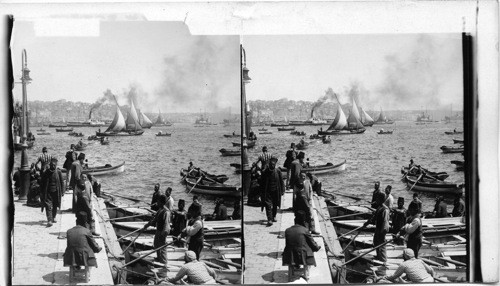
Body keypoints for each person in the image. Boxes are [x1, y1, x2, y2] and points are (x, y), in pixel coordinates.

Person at [282, 210, 321, 282]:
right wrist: (317, 247)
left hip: (289, 255)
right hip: (302, 255)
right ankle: (306, 274)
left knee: (296, 247)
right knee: (309, 249)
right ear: (303, 221)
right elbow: (312, 243)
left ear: (295, 220)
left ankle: (292, 270)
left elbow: (288, 244)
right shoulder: (305, 230)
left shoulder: (287, 230)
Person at [143, 194, 171, 264]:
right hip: (158, 231)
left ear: (161, 202)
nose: (156, 202)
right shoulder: (160, 210)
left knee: (162, 248)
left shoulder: (166, 212)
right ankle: (159, 258)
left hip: (162, 232)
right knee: (156, 245)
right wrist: (147, 225)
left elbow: (166, 224)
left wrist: (164, 233)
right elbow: (154, 220)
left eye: (158, 201)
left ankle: (164, 262)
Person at [363, 192, 390, 262]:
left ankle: (383, 260)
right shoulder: (379, 208)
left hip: (382, 230)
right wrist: (366, 223)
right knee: (376, 242)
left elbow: (385, 221)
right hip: (377, 229)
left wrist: (383, 232)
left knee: (381, 245)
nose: (376, 200)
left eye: (377, 199)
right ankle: (378, 256)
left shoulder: (385, 210)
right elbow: (374, 218)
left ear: (381, 200)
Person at [260, 157, 285, 226]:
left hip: (276, 191)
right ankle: (269, 219)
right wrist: (261, 192)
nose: (272, 166)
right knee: (268, 205)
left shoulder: (278, 171)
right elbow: (262, 183)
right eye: (271, 164)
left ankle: (274, 216)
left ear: (275, 165)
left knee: (275, 204)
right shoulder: (265, 172)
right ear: (269, 165)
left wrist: (283, 190)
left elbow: (281, 181)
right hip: (267, 191)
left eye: (273, 165)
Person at [40, 158, 64, 227]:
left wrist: (62, 191)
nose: (53, 166)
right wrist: (41, 192)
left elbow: (62, 182)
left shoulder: (58, 172)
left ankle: (53, 217)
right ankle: (49, 220)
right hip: (48, 192)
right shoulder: (46, 173)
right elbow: (42, 183)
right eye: (51, 165)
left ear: (56, 165)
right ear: (49, 165)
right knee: (48, 205)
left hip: (56, 191)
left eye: (54, 165)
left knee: (55, 205)